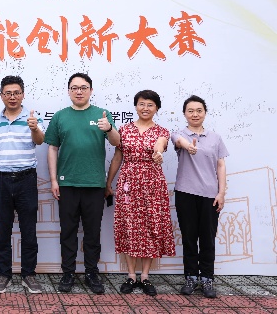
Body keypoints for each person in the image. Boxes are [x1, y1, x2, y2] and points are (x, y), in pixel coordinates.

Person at [45, 72, 120, 294]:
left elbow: (117, 143)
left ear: (91, 90)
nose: (79, 91)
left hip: (94, 184)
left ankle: (91, 273)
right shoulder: (60, 116)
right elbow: (52, 148)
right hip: (67, 183)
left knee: (92, 232)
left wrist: (109, 128)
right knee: (67, 231)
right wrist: (54, 180)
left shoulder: (102, 114)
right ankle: (68, 273)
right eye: (75, 88)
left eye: (83, 87)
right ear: (69, 91)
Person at [105, 90, 175, 297]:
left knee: (151, 226)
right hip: (128, 183)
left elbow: (160, 145)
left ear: (157, 108)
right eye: (142, 104)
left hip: (153, 184)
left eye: (150, 105)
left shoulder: (162, 131)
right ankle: (130, 275)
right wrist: (108, 183)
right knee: (130, 226)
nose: (145, 108)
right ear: (136, 106)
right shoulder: (124, 130)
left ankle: (145, 276)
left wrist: (158, 153)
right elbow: (117, 158)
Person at [0, 76, 45, 294]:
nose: (12, 97)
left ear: (23, 94)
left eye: (16, 93)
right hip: (0, 180)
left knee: (29, 229)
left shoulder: (33, 118)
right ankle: (4, 274)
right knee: (2, 229)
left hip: (26, 179)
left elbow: (40, 141)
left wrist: (34, 128)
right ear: (1, 95)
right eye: (8, 93)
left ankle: (29, 274)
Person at [172, 95, 228, 298]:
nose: (195, 114)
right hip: (185, 193)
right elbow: (179, 142)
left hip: (210, 195)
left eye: (199, 110)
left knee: (207, 239)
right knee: (189, 238)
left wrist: (221, 193)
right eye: (190, 111)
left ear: (205, 112)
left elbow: (221, 165)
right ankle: (190, 277)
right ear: (184, 114)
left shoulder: (215, 138)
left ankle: (207, 279)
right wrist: (189, 146)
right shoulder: (179, 134)